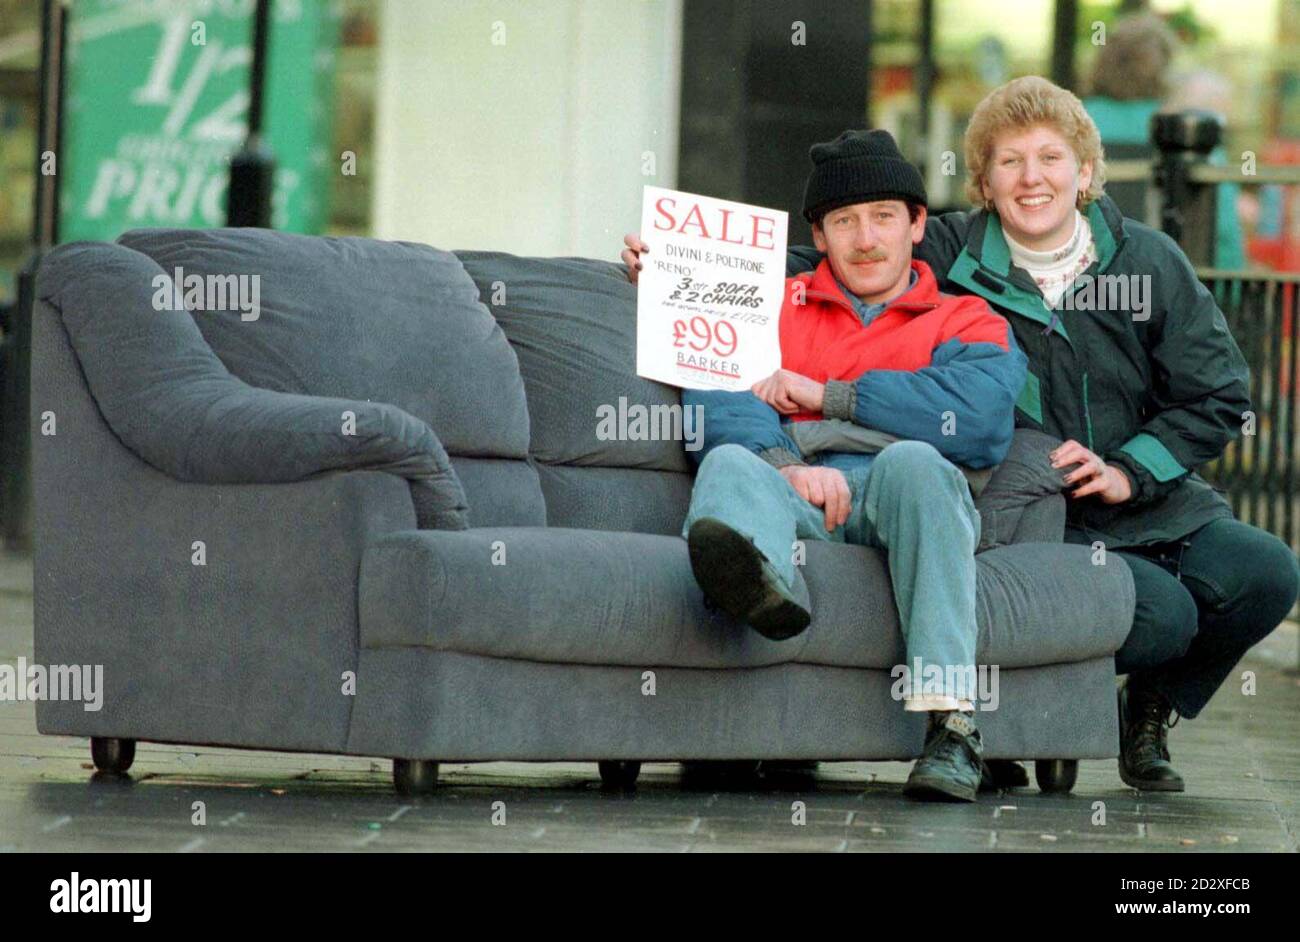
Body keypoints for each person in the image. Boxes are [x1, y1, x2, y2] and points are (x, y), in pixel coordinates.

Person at [648, 76, 1295, 793]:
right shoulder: (953, 249)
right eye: (1009, 162)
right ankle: (757, 589)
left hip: (1141, 490)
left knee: (1265, 575)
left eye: (1050, 159)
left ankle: (1144, 708)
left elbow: (1217, 394)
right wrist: (684, 274)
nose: (1032, 179)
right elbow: (845, 257)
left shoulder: (1145, 262)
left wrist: (1130, 469)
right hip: (1046, 505)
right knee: (1165, 615)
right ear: (982, 181)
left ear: (1084, 171)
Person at [639, 129, 1027, 802]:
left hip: (899, 491)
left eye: (883, 217)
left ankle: (954, 729)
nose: (866, 239)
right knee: (731, 460)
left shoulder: (967, 317)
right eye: (844, 222)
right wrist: (785, 463)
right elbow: (719, 385)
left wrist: (829, 397)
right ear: (818, 236)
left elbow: (981, 417)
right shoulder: (768, 302)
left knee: (917, 462)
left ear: (916, 224)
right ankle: (763, 591)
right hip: (792, 491)